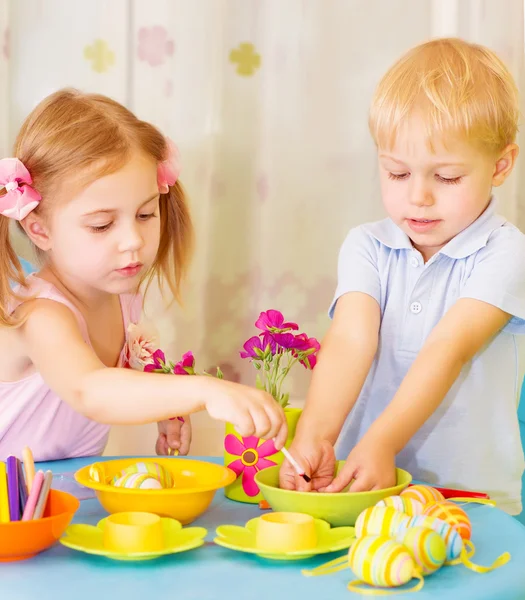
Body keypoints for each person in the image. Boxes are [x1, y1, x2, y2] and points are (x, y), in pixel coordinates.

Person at [280, 38, 525, 514]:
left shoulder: (509, 253)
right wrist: (314, 435)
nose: (418, 197)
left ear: (501, 165)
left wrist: (383, 442)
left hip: (471, 497)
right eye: (396, 173)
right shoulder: (367, 245)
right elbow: (351, 340)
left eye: (446, 177)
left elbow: (448, 348)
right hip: (365, 489)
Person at [0, 89, 287, 461]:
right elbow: (91, 390)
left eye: (146, 214)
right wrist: (205, 391)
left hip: (66, 496)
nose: (133, 241)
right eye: (102, 225)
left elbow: (121, 387)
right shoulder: (40, 315)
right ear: (39, 230)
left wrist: (162, 406)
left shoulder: (123, 296)